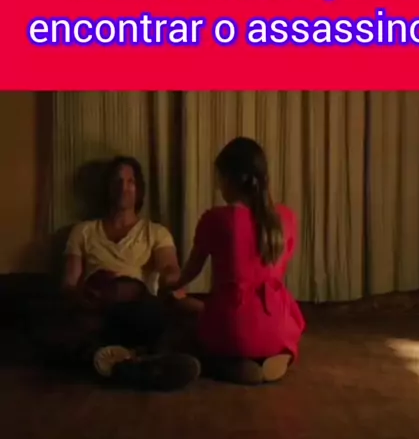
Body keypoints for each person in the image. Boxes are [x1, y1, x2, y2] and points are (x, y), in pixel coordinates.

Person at [46, 155, 201, 388]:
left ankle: (122, 364)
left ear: (139, 190)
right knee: (66, 332)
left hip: (139, 310)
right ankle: (134, 364)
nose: (123, 187)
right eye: (117, 181)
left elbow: (169, 267)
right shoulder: (83, 231)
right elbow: (69, 283)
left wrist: (171, 281)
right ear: (107, 188)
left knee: (163, 318)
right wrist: (83, 297)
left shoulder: (155, 232)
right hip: (99, 309)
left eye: (130, 182)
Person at [165, 137, 305, 384]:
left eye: (220, 179)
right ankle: (276, 356)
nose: (219, 187)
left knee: (185, 336)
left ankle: (234, 366)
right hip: (277, 324)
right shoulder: (286, 219)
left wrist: (169, 283)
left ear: (231, 179)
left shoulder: (216, 219)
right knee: (269, 330)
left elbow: (189, 273)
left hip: (233, 326)